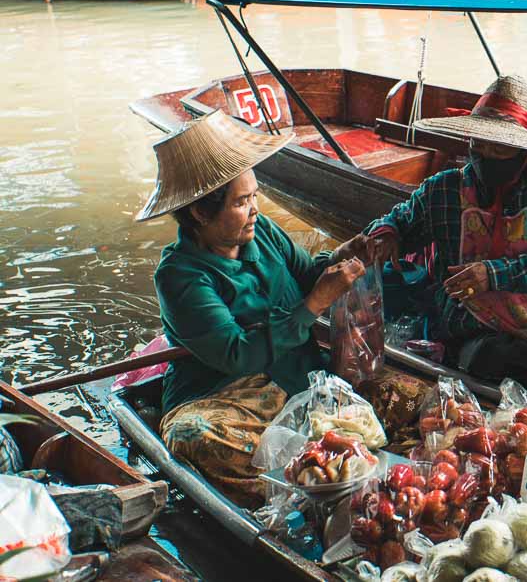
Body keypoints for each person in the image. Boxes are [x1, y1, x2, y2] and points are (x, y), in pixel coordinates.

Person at [139, 111, 372, 507]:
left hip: (295, 373)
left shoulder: (261, 231)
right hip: (225, 394)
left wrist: (340, 258)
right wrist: (315, 302)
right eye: (242, 201)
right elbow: (238, 354)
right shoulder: (180, 276)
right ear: (199, 213)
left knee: (400, 394)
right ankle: (300, 492)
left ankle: (317, 466)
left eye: (254, 196)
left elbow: (305, 275)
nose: (255, 209)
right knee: (195, 437)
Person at [366, 75, 527, 385]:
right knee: (496, 358)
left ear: (524, 152)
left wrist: (494, 274)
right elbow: (397, 220)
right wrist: (388, 234)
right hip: (470, 323)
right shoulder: (443, 189)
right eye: (479, 145)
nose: (487, 156)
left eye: (500, 150)